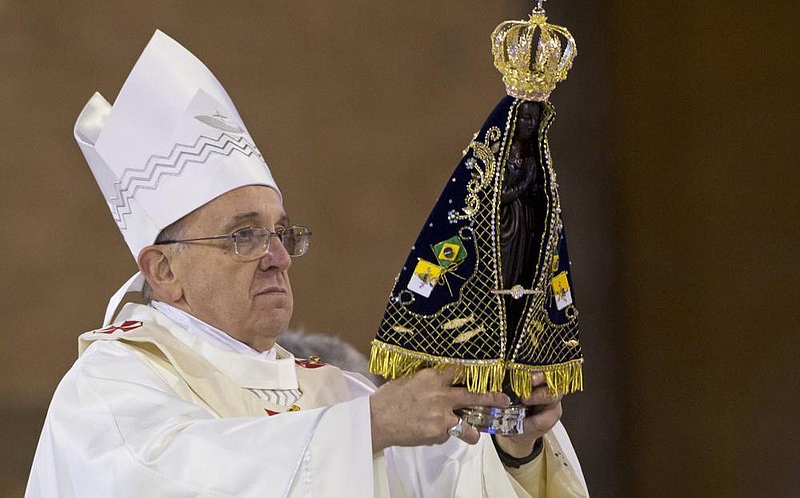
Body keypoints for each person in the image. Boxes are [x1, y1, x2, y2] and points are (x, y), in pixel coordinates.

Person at [26, 30, 588, 497]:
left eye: (282, 233)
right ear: (163, 271)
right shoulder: (109, 385)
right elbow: (167, 478)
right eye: (244, 235)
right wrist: (368, 428)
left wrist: (518, 446)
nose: (276, 258)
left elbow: (451, 480)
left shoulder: (332, 395)